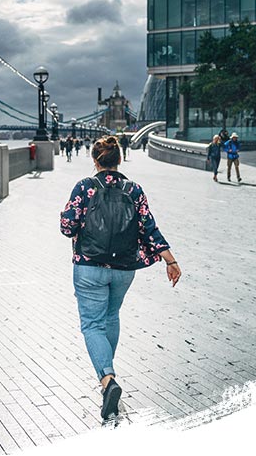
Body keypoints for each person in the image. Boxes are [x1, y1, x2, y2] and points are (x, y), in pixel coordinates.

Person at [60, 136, 182, 421]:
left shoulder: (85, 187)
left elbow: (67, 227)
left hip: (89, 265)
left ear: (95, 160)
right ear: (119, 159)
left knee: (92, 324)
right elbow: (148, 227)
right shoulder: (134, 189)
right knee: (111, 316)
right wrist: (170, 259)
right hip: (124, 268)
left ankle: (107, 379)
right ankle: (107, 378)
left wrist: (66, 217)